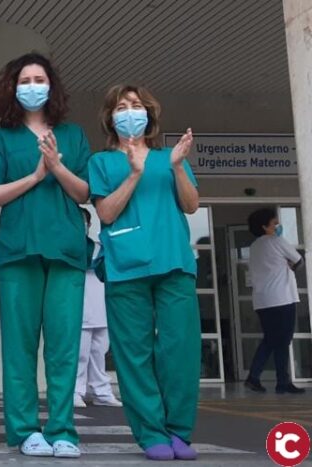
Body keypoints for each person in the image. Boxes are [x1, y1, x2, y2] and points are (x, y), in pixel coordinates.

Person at [0, 52, 91, 458]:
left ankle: (63, 429)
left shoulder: (74, 135)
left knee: (64, 346)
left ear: (52, 85)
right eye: (24, 80)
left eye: (38, 79)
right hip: (18, 250)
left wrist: (56, 166)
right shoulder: (2, 138)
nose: (32, 86)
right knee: (20, 346)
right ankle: (26, 430)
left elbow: (84, 192)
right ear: (13, 87)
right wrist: (34, 176)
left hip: (65, 249)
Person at [88, 84, 200, 461]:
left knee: (180, 350)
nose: (129, 111)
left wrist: (178, 165)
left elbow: (190, 204)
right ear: (110, 117)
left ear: (149, 114)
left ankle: (179, 431)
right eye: (121, 106)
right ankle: (150, 433)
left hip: (174, 263)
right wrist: (134, 173)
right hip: (126, 268)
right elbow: (105, 213)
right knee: (133, 354)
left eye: (136, 105)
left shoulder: (170, 157)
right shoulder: (101, 163)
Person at [243, 208, 306, 394]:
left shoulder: (254, 247)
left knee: (271, 340)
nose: (277, 227)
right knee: (282, 340)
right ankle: (276, 380)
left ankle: (271, 379)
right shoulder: (277, 241)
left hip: (263, 300)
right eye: (274, 223)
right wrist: (290, 266)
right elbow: (299, 260)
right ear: (265, 226)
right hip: (282, 298)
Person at [74, 208, 122, 408]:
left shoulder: (98, 247)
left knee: (99, 352)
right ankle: (75, 391)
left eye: (85, 222)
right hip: (80, 309)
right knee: (80, 355)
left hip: (101, 308)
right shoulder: (71, 247)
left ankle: (102, 392)